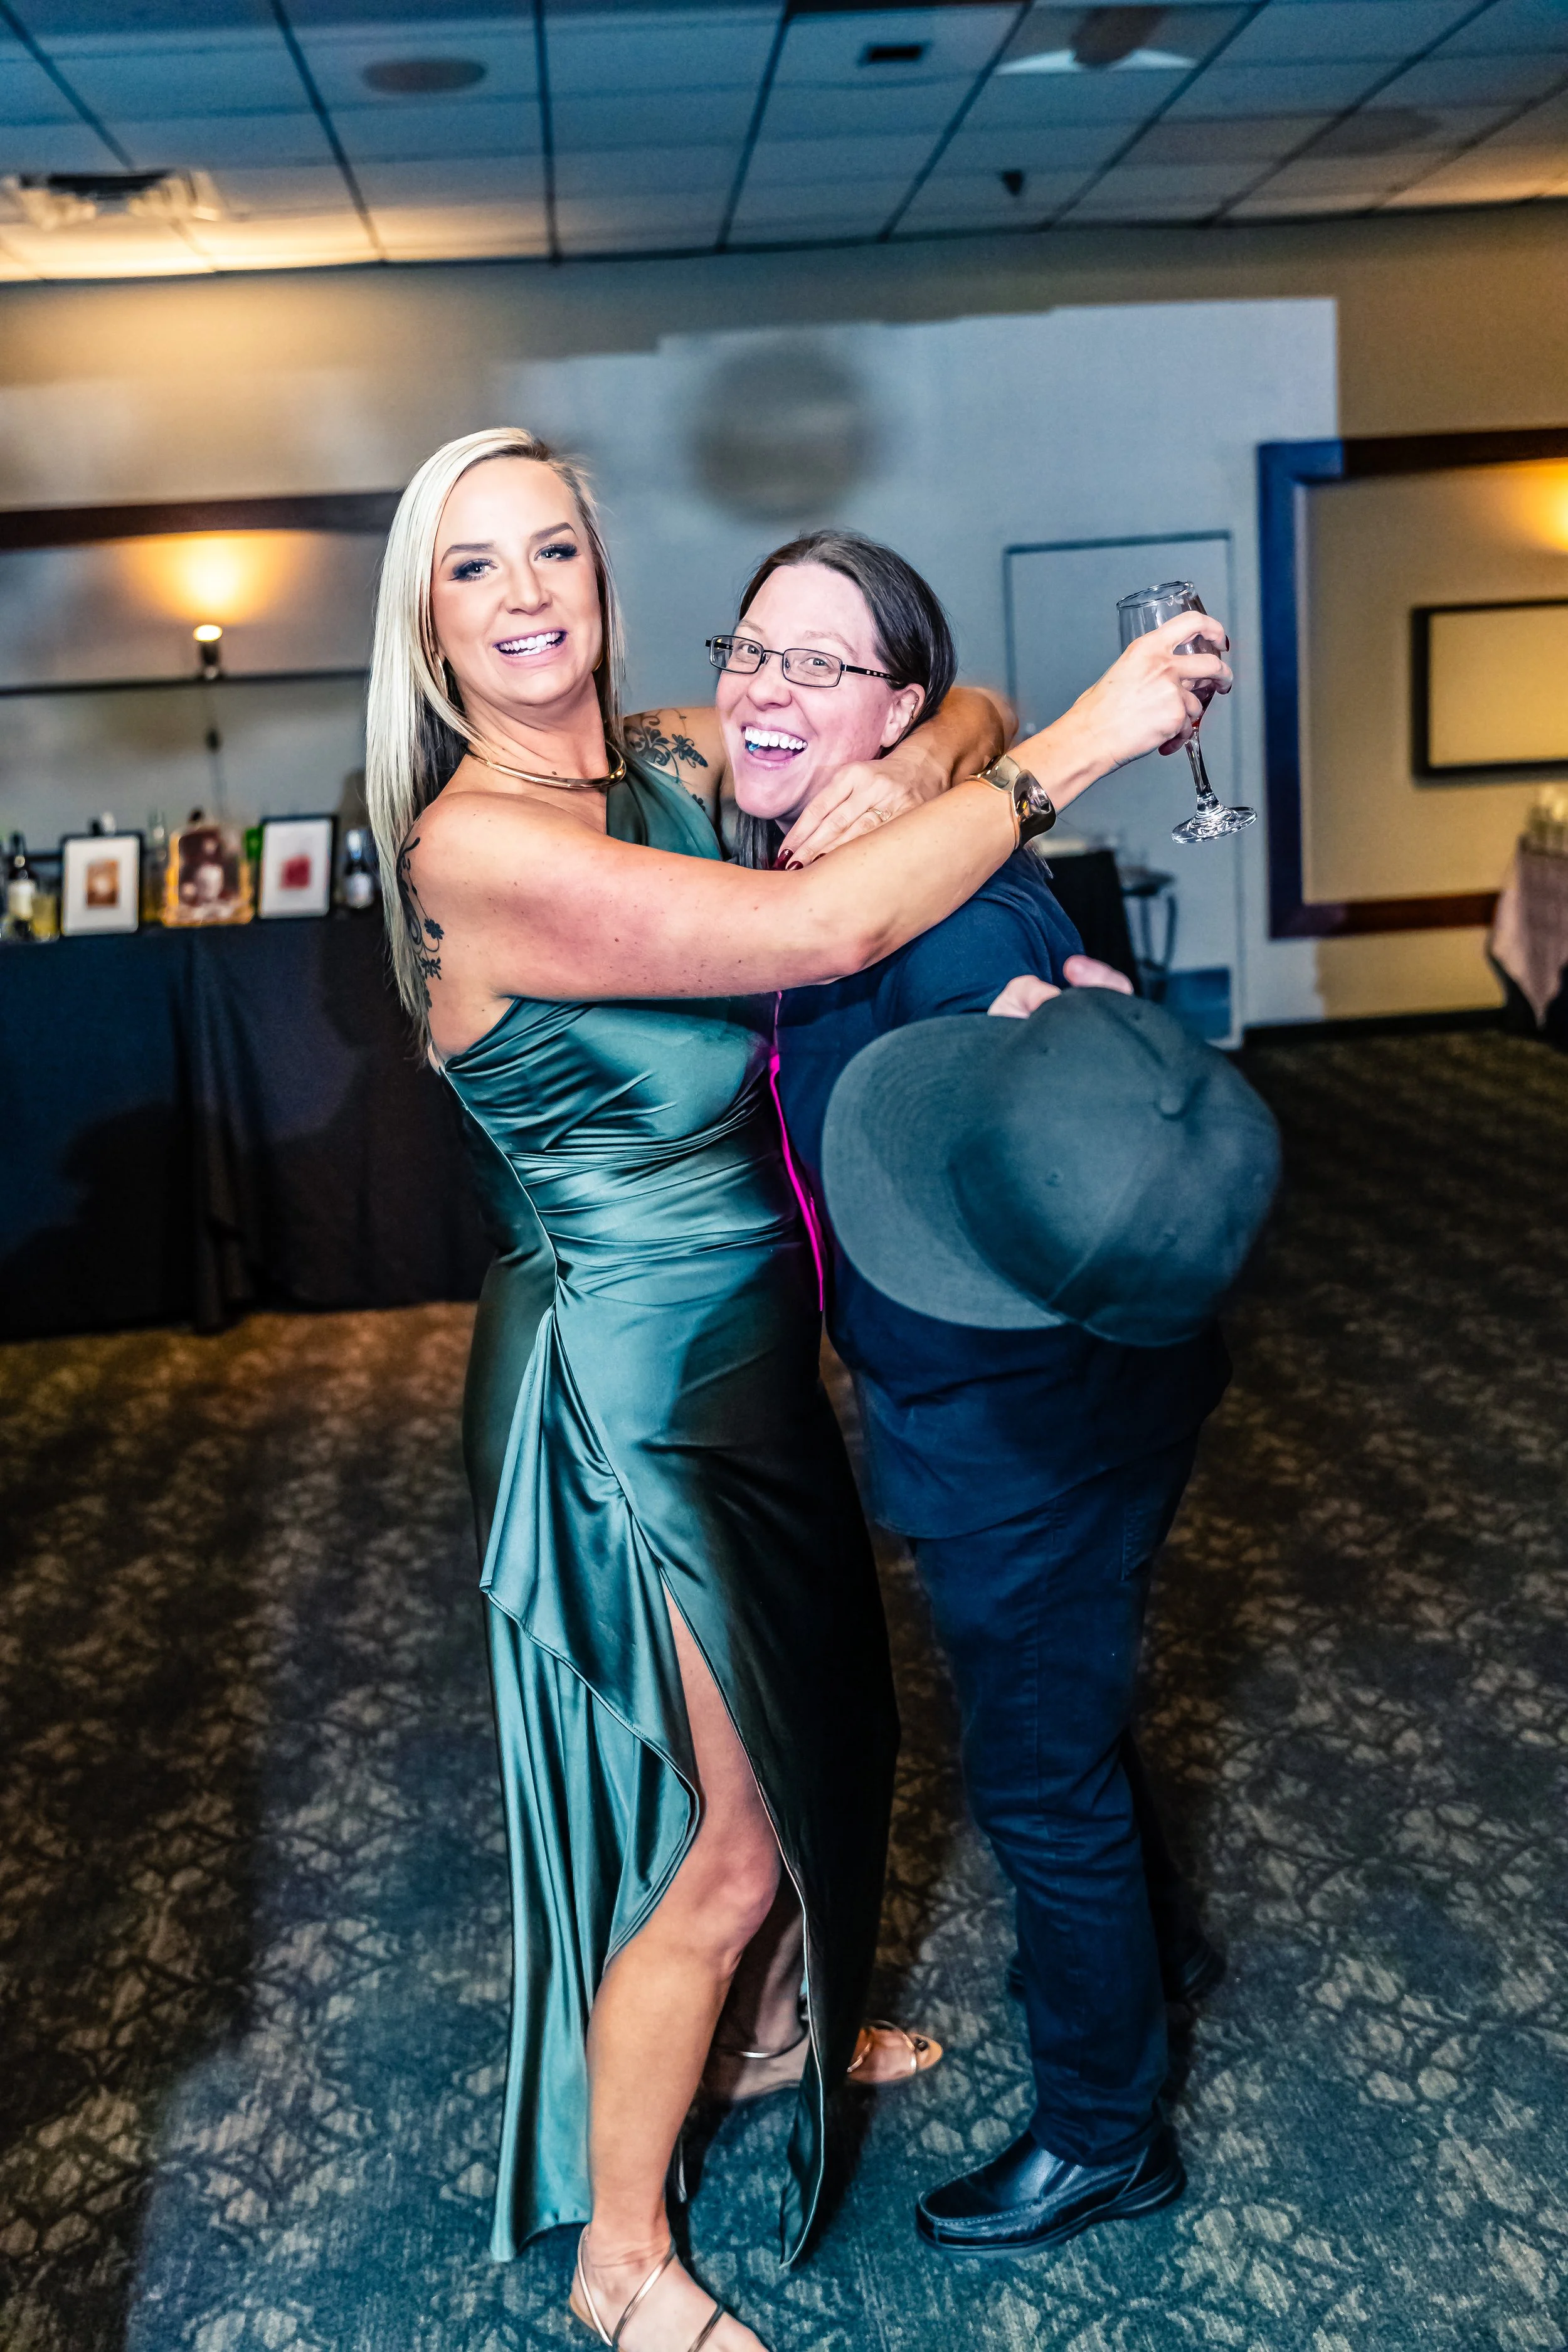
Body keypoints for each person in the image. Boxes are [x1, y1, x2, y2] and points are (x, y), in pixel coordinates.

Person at [364, 428, 1222, 2351]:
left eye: (555, 551)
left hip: (747, 1349)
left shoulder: (656, 758)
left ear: (601, 571)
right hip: (631, 1381)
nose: (527, 598)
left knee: (776, 1740)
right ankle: (623, 2261)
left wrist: (917, 757)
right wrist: (1068, 750)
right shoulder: (482, 842)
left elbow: (940, 695)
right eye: (475, 569)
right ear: (424, 621)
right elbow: (816, 930)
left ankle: (758, 2041)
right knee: (730, 1826)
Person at [720, 531, 1241, 2259]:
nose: (765, 689)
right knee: (1067, 1718)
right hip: (1027, 1396)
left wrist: (1048, 1017)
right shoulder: (814, 838)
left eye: (819, 665)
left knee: (1035, 1777)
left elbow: (1039, 1041)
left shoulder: (949, 911)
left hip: (1022, 1418)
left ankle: (1108, 2135)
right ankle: (1152, 1959)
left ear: (899, 711)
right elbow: (977, 728)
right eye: (751, 652)